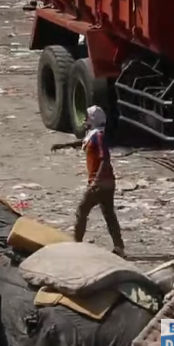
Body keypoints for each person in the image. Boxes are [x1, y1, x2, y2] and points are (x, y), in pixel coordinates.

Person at [51, 105, 125, 257]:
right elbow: (85, 142)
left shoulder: (99, 137)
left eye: (88, 116)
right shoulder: (95, 134)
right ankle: (119, 248)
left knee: (81, 211)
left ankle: (76, 245)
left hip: (100, 182)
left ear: (94, 119)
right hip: (107, 182)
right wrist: (65, 145)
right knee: (109, 215)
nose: (85, 118)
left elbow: (105, 159)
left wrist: (96, 181)